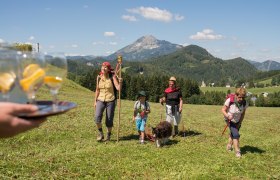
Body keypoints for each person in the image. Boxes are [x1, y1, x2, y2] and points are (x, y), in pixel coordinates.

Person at [94, 61, 122, 142]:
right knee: (97, 118)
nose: (103, 68)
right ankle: (101, 133)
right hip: (100, 99)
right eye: (102, 66)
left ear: (108, 69)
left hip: (111, 100)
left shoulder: (112, 77)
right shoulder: (99, 77)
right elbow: (97, 90)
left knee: (109, 119)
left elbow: (118, 88)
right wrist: (95, 101)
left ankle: (108, 135)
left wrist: (120, 82)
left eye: (105, 67)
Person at [221, 87, 248, 158]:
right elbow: (223, 110)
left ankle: (229, 146)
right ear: (236, 95)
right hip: (229, 120)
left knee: (233, 133)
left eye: (243, 97)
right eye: (239, 97)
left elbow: (243, 114)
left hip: (237, 121)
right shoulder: (230, 100)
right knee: (236, 135)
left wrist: (240, 122)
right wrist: (227, 115)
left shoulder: (244, 103)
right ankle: (237, 151)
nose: (241, 99)